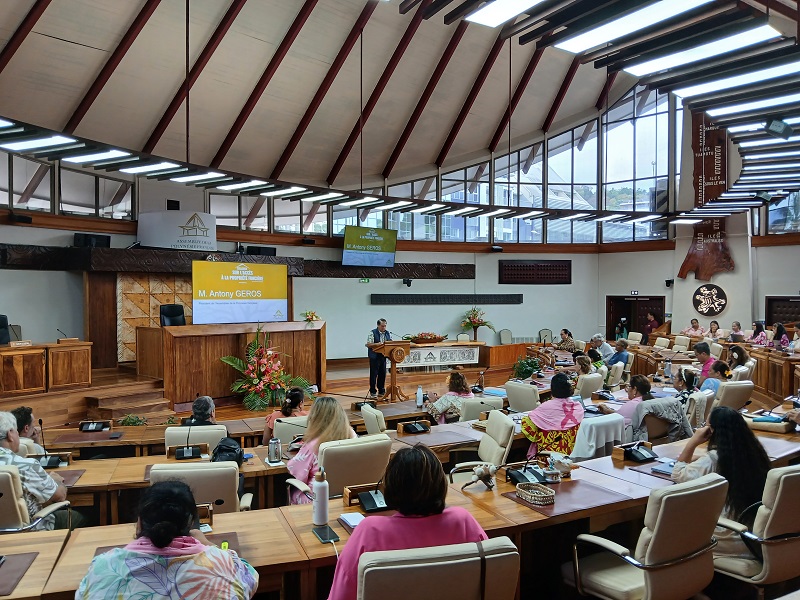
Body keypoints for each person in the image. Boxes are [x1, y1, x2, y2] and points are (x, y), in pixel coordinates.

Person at [327, 444, 487, 600]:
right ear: (441, 484)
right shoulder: (462, 521)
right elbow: (492, 572)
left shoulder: (370, 531)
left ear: (390, 487)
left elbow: (341, 594)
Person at [76, 481, 258, 599]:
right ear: (190, 522)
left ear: (139, 523)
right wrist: (209, 546)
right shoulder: (222, 564)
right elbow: (250, 577)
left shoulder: (103, 568)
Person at [672, 407, 770, 558]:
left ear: (712, 431)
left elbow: (678, 473)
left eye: (707, 425)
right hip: (756, 535)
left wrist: (693, 441)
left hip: (730, 538)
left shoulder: (714, 459)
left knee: (675, 522)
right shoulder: (755, 453)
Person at [0, 411, 68, 530]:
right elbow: (60, 496)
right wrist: (57, 481)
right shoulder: (26, 466)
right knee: (88, 515)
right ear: (10, 434)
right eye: (16, 431)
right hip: (34, 529)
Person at [286, 397, 356, 504]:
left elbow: (295, 472)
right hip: (346, 495)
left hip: (315, 498)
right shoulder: (352, 435)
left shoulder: (313, 445)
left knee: (286, 489)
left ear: (315, 417)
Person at [521, 372, 584, 458]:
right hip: (571, 456)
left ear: (552, 389)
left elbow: (529, 428)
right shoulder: (578, 407)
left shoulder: (545, 407)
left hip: (547, 458)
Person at [366, 318, 391, 399]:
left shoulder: (387, 333)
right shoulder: (372, 332)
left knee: (382, 374)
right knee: (374, 374)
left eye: (385, 326)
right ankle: (373, 391)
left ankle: (381, 390)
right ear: (378, 325)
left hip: (383, 356)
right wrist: (377, 344)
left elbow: (390, 342)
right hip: (374, 356)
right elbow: (368, 344)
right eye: (382, 326)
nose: (384, 328)